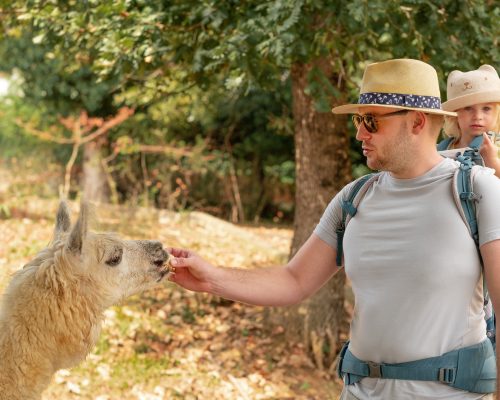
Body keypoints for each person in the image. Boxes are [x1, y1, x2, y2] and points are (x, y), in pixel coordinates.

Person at [168, 59, 500, 400]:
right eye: (358, 120)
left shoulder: (477, 192)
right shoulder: (355, 198)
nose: (359, 133)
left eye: (371, 121)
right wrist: (211, 278)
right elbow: (294, 281)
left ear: (416, 121)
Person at [439, 64, 500, 177]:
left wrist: (492, 161)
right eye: (468, 108)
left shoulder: (496, 145)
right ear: (454, 114)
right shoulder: (444, 148)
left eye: (486, 108)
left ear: (497, 113)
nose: (477, 116)